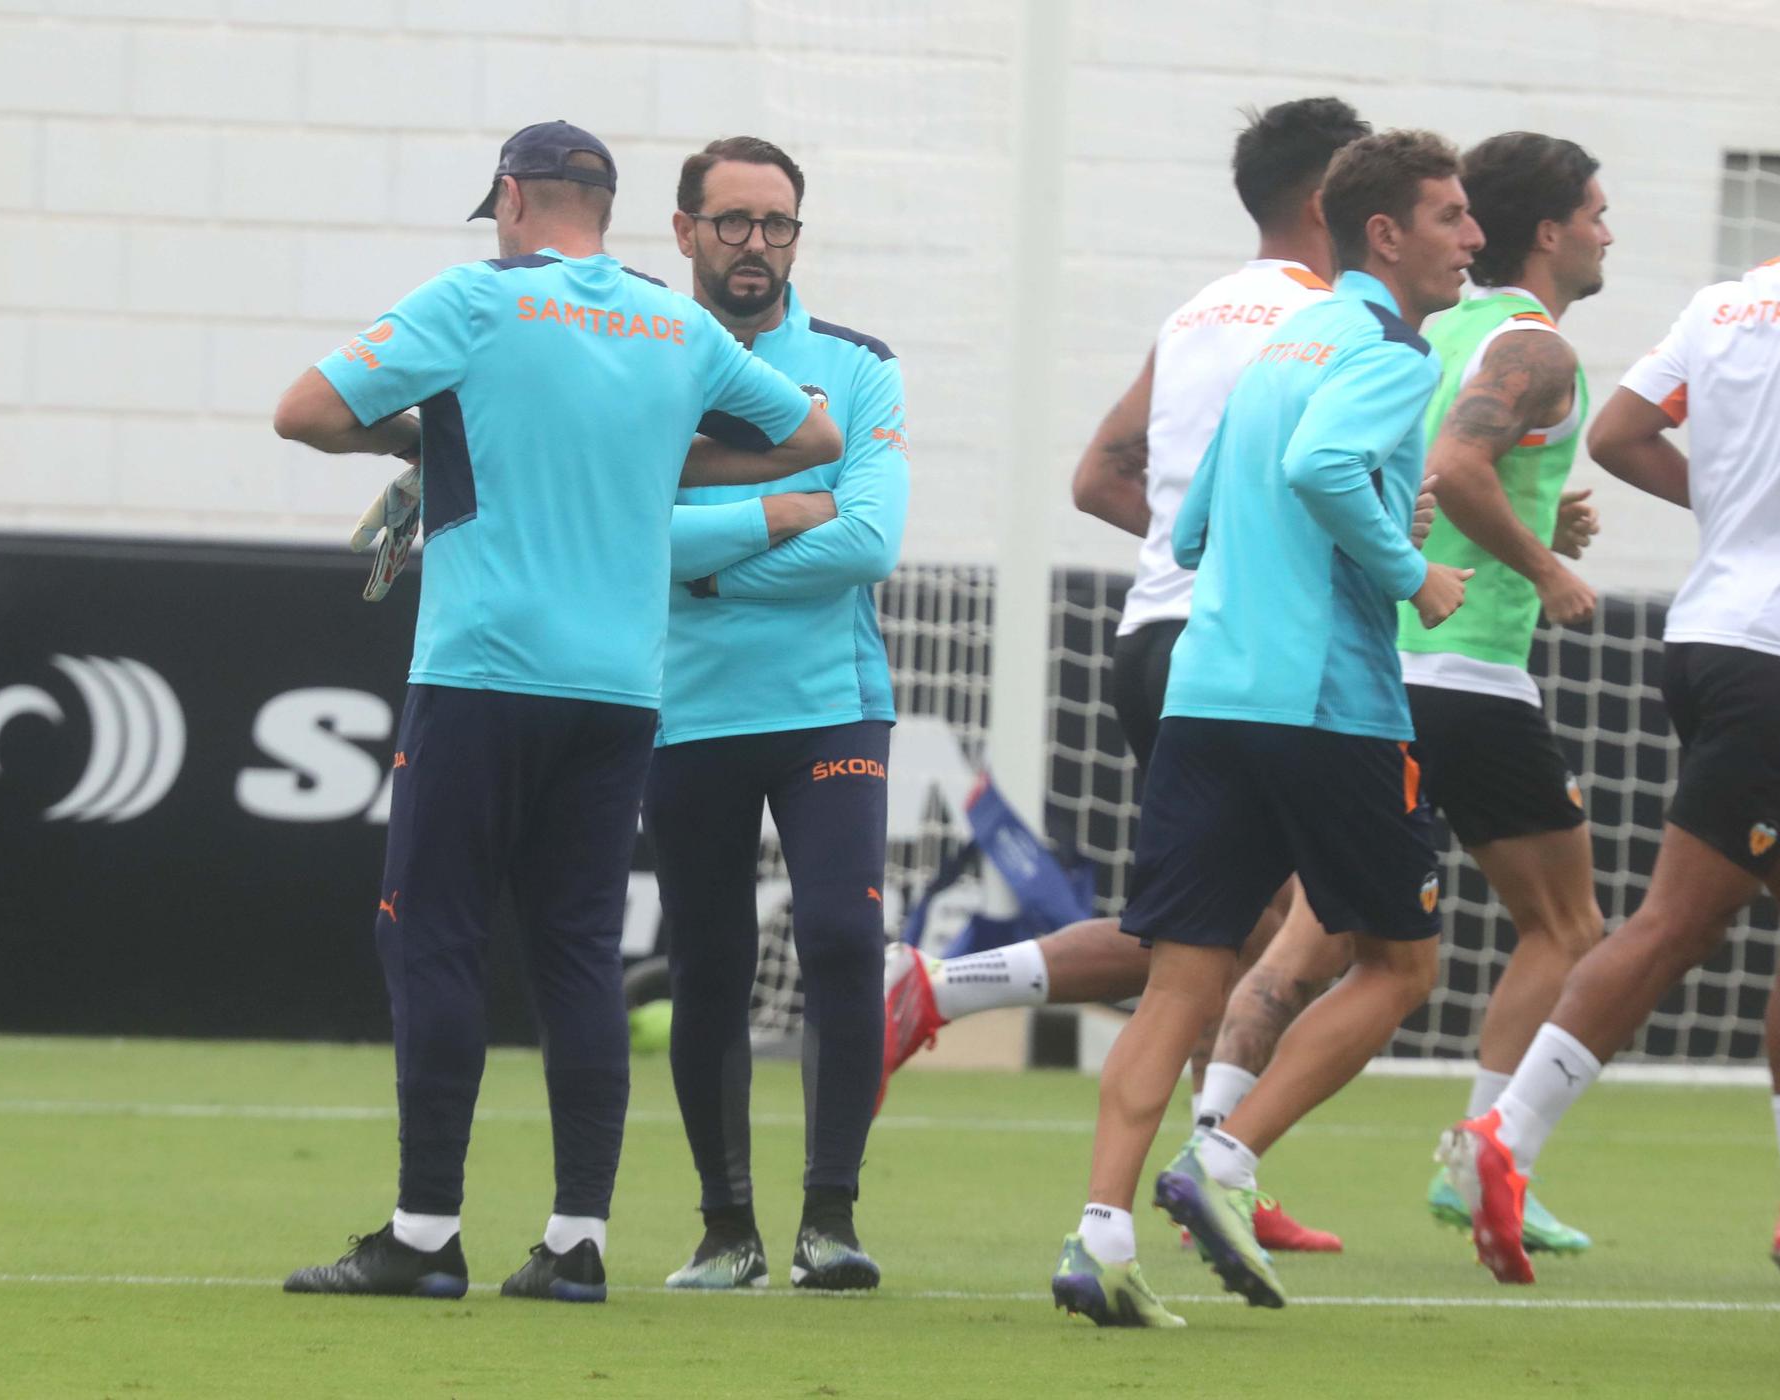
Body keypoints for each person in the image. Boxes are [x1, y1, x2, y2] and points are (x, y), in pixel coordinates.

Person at [274, 121, 840, 1303]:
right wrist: (659, 465)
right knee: (577, 956)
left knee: (429, 934)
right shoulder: (673, 322)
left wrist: (432, 435)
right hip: (619, 687)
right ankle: (576, 1238)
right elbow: (811, 434)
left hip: (484, 672)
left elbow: (306, 412)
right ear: (610, 207)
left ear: (515, 201)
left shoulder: (475, 301)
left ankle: (425, 1230)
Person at [1440, 74, 1780, 1291]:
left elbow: (1616, 434)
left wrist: (1731, 506)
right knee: (1675, 918)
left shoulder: (1729, 298)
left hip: (1712, 631)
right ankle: (1499, 1137)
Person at [880, 97, 1375, 1257]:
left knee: (1239, 921)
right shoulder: (1329, 323)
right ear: (1329, 202)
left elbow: (1104, 471)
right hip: (1256, 657)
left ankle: (1211, 1167)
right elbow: (1324, 479)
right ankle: (948, 994)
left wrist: (1181, 546)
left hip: (1156, 632)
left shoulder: (1198, 311)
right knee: (1311, 933)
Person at [1051, 128, 1482, 1327]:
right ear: (1384, 235)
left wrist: (1359, 503)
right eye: (1451, 216)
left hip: (1205, 693)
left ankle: (1098, 1234)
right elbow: (1323, 469)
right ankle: (1225, 1159)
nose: (1473, 237)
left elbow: (1185, 536)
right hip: (1323, 706)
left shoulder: (1278, 341)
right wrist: (1411, 570)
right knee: (1398, 962)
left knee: (1181, 978)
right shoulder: (1391, 353)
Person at [1187, 132, 1612, 1259]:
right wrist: (1542, 563)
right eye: (1598, 212)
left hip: (1354, 677)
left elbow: (1432, 465)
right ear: (1550, 229)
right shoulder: (1529, 343)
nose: (1609, 231)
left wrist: (1537, 512)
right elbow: (1456, 470)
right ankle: (1481, 1152)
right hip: (1461, 670)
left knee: (1305, 934)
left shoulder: (1431, 329)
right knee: (1560, 926)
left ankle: (1210, 1142)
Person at [647, 136, 909, 1293]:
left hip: (829, 710)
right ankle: (725, 1227)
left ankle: (830, 1220)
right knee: (707, 961)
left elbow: (867, 540)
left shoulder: (857, 366)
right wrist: (774, 515)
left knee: (844, 941)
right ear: (683, 231)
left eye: (777, 224)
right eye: (733, 221)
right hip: (682, 711)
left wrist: (696, 563)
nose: (755, 244)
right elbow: (625, 541)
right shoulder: (642, 361)